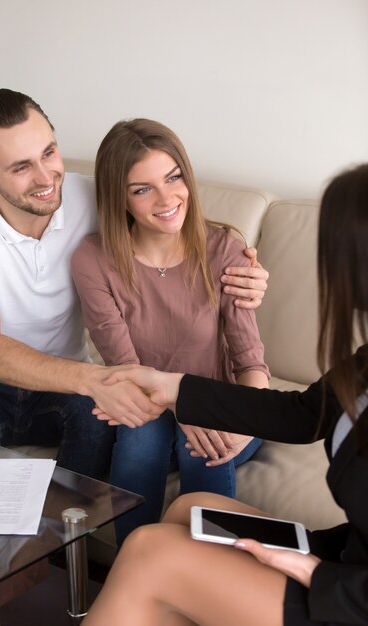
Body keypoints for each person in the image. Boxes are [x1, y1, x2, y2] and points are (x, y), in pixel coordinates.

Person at [83, 162, 368, 626]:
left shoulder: (220, 249)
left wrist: (321, 576)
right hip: (346, 557)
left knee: (149, 553)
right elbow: (303, 414)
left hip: (350, 598)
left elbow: (251, 360)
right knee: (189, 508)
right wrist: (175, 388)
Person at [0, 88, 268, 477]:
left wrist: (245, 271)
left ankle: (70, 530)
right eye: (20, 167)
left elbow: (170, 217)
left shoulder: (93, 196)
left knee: (105, 428)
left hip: (65, 387)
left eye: (49, 153)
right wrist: (99, 380)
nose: (45, 178)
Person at [71, 118, 269, 542]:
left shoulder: (224, 250)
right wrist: (185, 406)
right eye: (142, 189)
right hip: (146, 403)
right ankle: (133, 572)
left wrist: (243, 423)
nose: (166, 199)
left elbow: (251, 364)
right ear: (118, 198)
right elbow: (125, 369)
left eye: (173, 178)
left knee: (203, 447)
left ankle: (208, 578)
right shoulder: (94, 259)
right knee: (141, 438)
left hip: (225, 407)